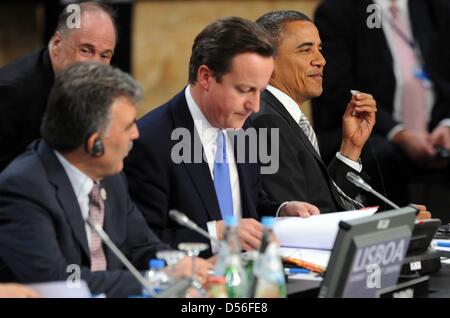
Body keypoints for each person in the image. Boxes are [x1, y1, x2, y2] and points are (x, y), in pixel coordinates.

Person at [0, 62, 212, 298]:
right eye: (128, 126)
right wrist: (160, 279)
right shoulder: (24, 187)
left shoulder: (111, 177)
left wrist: (185, 266)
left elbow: (142, 246)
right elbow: (57, 280)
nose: (136, 133)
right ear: (95, 144)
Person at [124, 17, 319, 256]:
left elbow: (249, 204)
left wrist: (281, 211)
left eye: (261, 91)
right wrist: (216, 234)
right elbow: (139, 244)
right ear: (206, 77)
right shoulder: (150, 141)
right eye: (245, 90)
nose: (255, 106)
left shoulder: (242, 126)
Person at [312, 0, 450, 207]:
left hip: (436, 130)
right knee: (381, 155)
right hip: (370, 130)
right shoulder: (338, 11)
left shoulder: (436, 7)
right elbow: (337, 90)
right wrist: (399, 133)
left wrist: (447, 124)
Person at [251, 11, 377, 213]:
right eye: (305, 50)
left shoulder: (282, 115)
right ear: (267, 59)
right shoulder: (267, 122)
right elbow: (300, 220)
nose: (321, 60)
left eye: (319, 49)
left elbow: (320, 203)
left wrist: (350, 148)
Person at [0, 2, 117, 172]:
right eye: (85, 50)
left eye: (104, 55)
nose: (95, 65)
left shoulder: (103, 89)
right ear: (56, 44)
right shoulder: (10, 93)